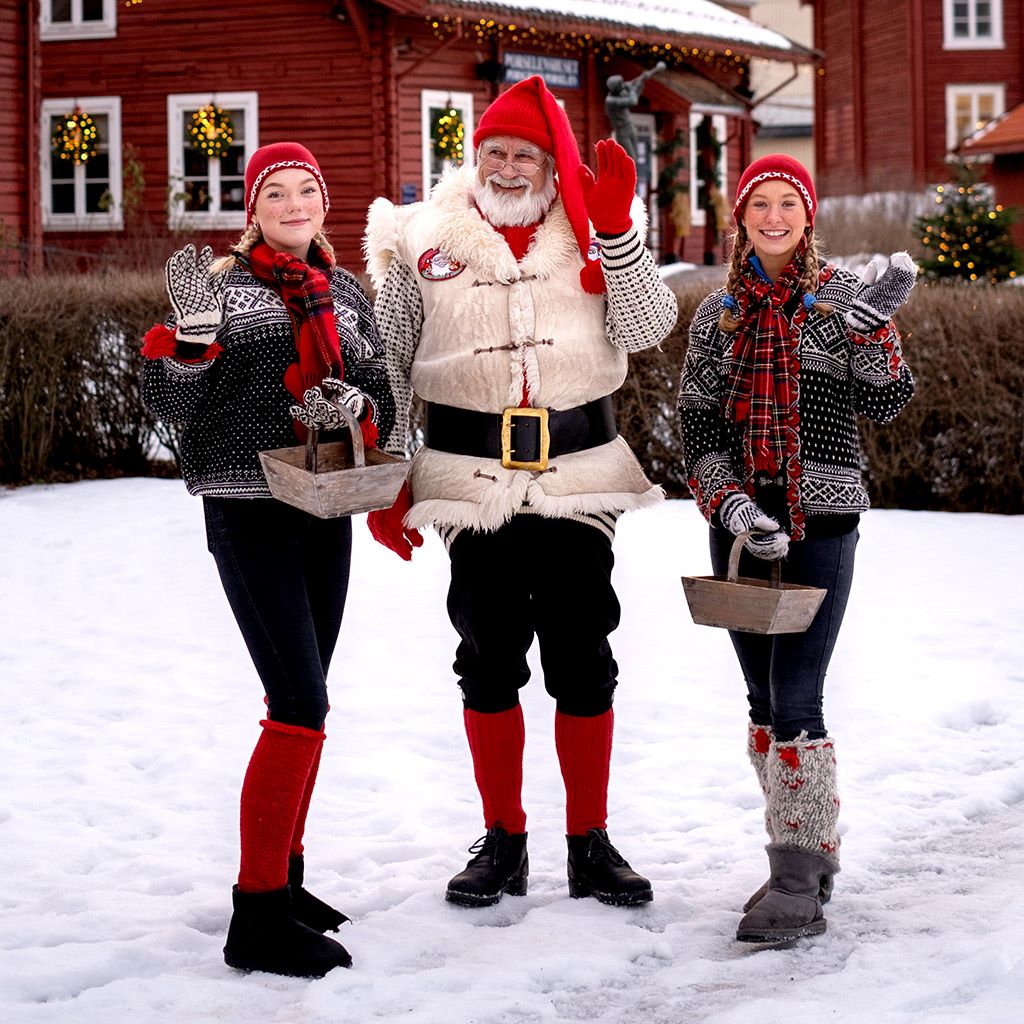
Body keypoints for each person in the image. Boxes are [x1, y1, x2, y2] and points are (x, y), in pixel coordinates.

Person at [364, 75, 678, 909]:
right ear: (473, 158)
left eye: (523, 155)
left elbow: (647, 329)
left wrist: (615, 232)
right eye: (492, 152)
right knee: (486, 654)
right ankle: (503, 839)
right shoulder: (422, 238)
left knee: (584, 655)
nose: (506, 167)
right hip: (468, 482)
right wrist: (390, 474)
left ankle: (590, 841)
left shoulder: (593, 229)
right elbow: (391, 360)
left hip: (580, 478)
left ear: (548, 164)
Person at [140, 142, 395, 977]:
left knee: (309, 703)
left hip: (325, 507)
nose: (293, 204)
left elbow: (383, 401)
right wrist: (193, 344)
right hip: (249, 510)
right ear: (253, 209)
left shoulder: (347, 290)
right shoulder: (216, 289)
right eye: (275, 192)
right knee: (297, 701)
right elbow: (165, 406)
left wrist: (354, 403)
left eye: (307, 190)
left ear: (324, 202)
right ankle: (256, 918)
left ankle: (285, 881)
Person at [677, 154, 916, 942]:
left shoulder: (842, 302)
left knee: (795, 697)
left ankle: (799, 877)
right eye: (760, 206)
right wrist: (733, 503)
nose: (774, 218)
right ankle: (798, 854)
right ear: (740, 217)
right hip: (742, 530)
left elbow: (888, 401)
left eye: (789, 204)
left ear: (807, 216)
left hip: (823, 521)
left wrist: (875, 334)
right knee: (759, 700)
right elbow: (698, 423)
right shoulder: (717, 315)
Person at [604, 62, 666, 167]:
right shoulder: (611, 101)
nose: (623, 85)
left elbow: (635, 93)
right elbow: (633, 101)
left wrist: (642, 80)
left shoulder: (620, 95)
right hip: (622, 131)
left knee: (635, 159)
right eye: (621, 85)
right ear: (616, 89)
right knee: (630, 159)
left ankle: (634, 180)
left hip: (630, 128)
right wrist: (630, 89)